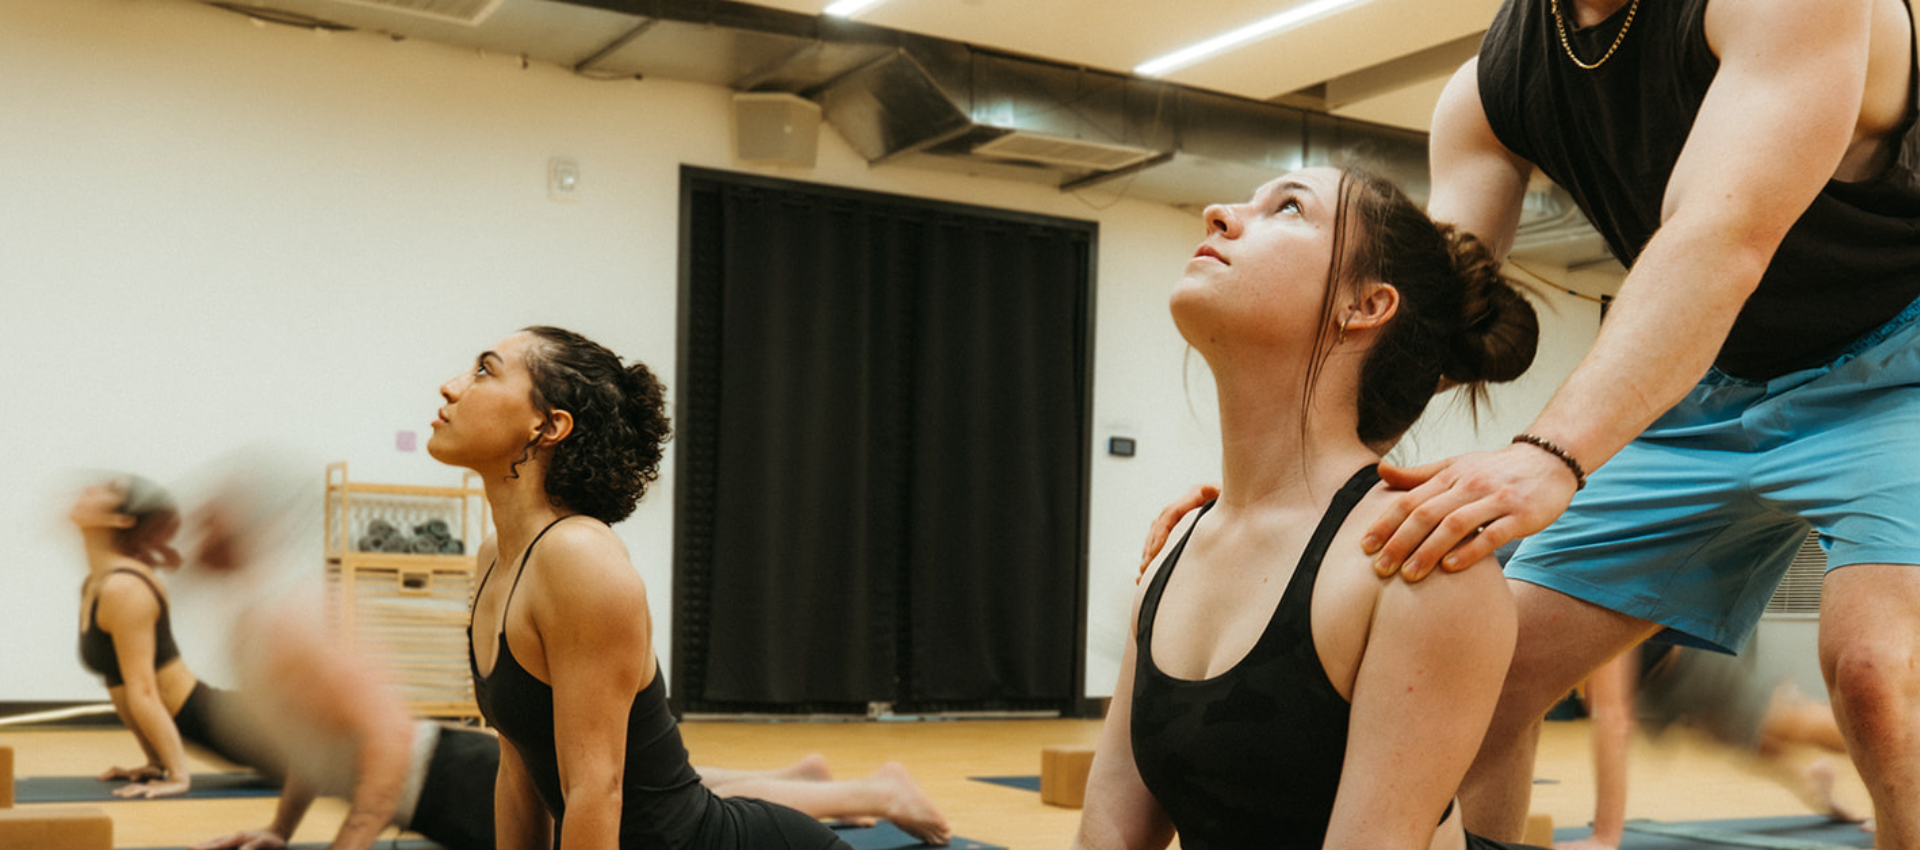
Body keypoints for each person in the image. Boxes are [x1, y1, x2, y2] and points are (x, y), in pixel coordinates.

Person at [1146, 0, 1920, 843]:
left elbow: (1719, 237)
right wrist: (1273, 496)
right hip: (1714, 381)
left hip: (1900, 364)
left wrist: (1549, 454)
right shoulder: (1489, 88)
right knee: (1476, 672)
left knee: (1878, 674)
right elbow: (1415, 325)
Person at [1072, 167, 1544, 850]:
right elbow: (1107, 835)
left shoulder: (1415, 562)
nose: (1218, 212)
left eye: (1288, 208)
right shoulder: (1174, 552)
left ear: (1365, 305)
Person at [428, 325, 949, 849]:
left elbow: (595, 790)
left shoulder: (577, 557)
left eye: (484, 371)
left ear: (548, 425)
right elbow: (519, 777)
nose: (452, 386)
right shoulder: (497, 556)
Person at [67, 475, 284, 799]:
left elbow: (144, 690)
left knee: (333, 766)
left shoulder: (124, 588)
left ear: (120, 519)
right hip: (209, 723)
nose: (89, 488)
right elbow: (119, 685)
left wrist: (179, 776)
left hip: (227, 725)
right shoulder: (96, 584)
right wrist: (154, 763)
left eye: (107, 490)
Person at [1555, 644, 1865, 850]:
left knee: (1797, 724)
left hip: (1697, 665)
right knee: (1750, 747)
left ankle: (1901, 776)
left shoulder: (1596, 596)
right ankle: (1816, 782)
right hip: (1659, 683)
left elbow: (1613, 719)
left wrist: (1604, 838)